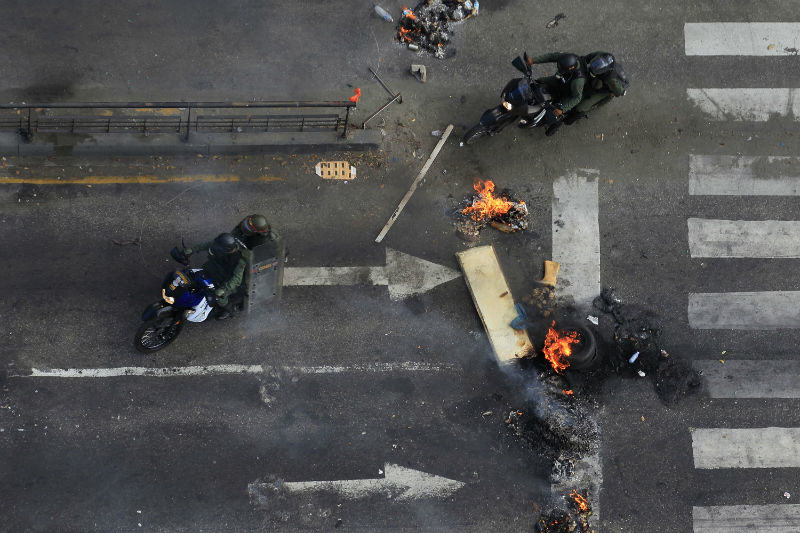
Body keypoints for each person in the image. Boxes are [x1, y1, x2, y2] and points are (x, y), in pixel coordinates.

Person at [184, 233, 246, 320]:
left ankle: (229, 311)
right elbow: (207, 245)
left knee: (221, 298)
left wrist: (223, 289)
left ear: (226, 249)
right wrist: (192, 250)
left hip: (228, 280)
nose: (216, 247)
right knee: (196, 275)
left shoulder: (239, 260)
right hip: (215, 268)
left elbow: (237, 280)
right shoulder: (221, 246)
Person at [525, 52, 586, 136]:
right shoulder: (565, 58)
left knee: (556, 115)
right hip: (561, 80)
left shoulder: (577, 81)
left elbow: (577, 98)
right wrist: (533, 60)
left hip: (568, 93)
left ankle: (556, 125)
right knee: (538, 82)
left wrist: (562, 109)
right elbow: (551, 56)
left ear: (570, 70)